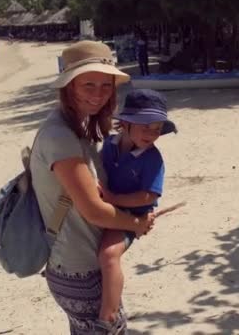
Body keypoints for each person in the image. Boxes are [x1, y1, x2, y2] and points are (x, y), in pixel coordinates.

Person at [30, 40, 156, 334]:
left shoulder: (76, 129)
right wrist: (137, 223)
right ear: (69, 85)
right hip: (79, 271)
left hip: (79, 266)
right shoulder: (60, 137)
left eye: (106, 85)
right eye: (89, 84)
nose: (98, 94)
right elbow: (94, 211)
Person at [97, 89, 177, 324]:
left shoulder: (153, 158)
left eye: (157, 129)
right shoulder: (109, 145)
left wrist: (113, 199)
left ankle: (108, 314)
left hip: (132, 213)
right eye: (145, 126)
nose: (152, 134)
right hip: (105, 203)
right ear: (125, 123)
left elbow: (147, 196)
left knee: (109, 254)